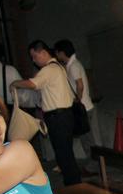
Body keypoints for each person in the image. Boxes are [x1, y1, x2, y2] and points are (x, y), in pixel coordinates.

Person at [11, 41, 81, 186]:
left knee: (63, 155)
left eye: (34, 56)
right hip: (63, 115)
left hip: (58, 117)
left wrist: (15, 83)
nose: (33, 60)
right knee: (65, 154)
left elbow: (32, 84)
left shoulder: (49, 69)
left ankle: (73, 186)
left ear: (43, 52)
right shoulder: (58, 67)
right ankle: (74, 184)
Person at [54, 40, 101, 158]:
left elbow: (80, 85)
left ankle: (94, 163)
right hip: (85, 106)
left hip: (83, 108)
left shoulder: (74, 66)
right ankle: (95, 162)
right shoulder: (73, 64)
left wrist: (77, 99)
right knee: (88, 138)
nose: (57, 55)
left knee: (87, 139)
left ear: (62, 52)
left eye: (57, 53)